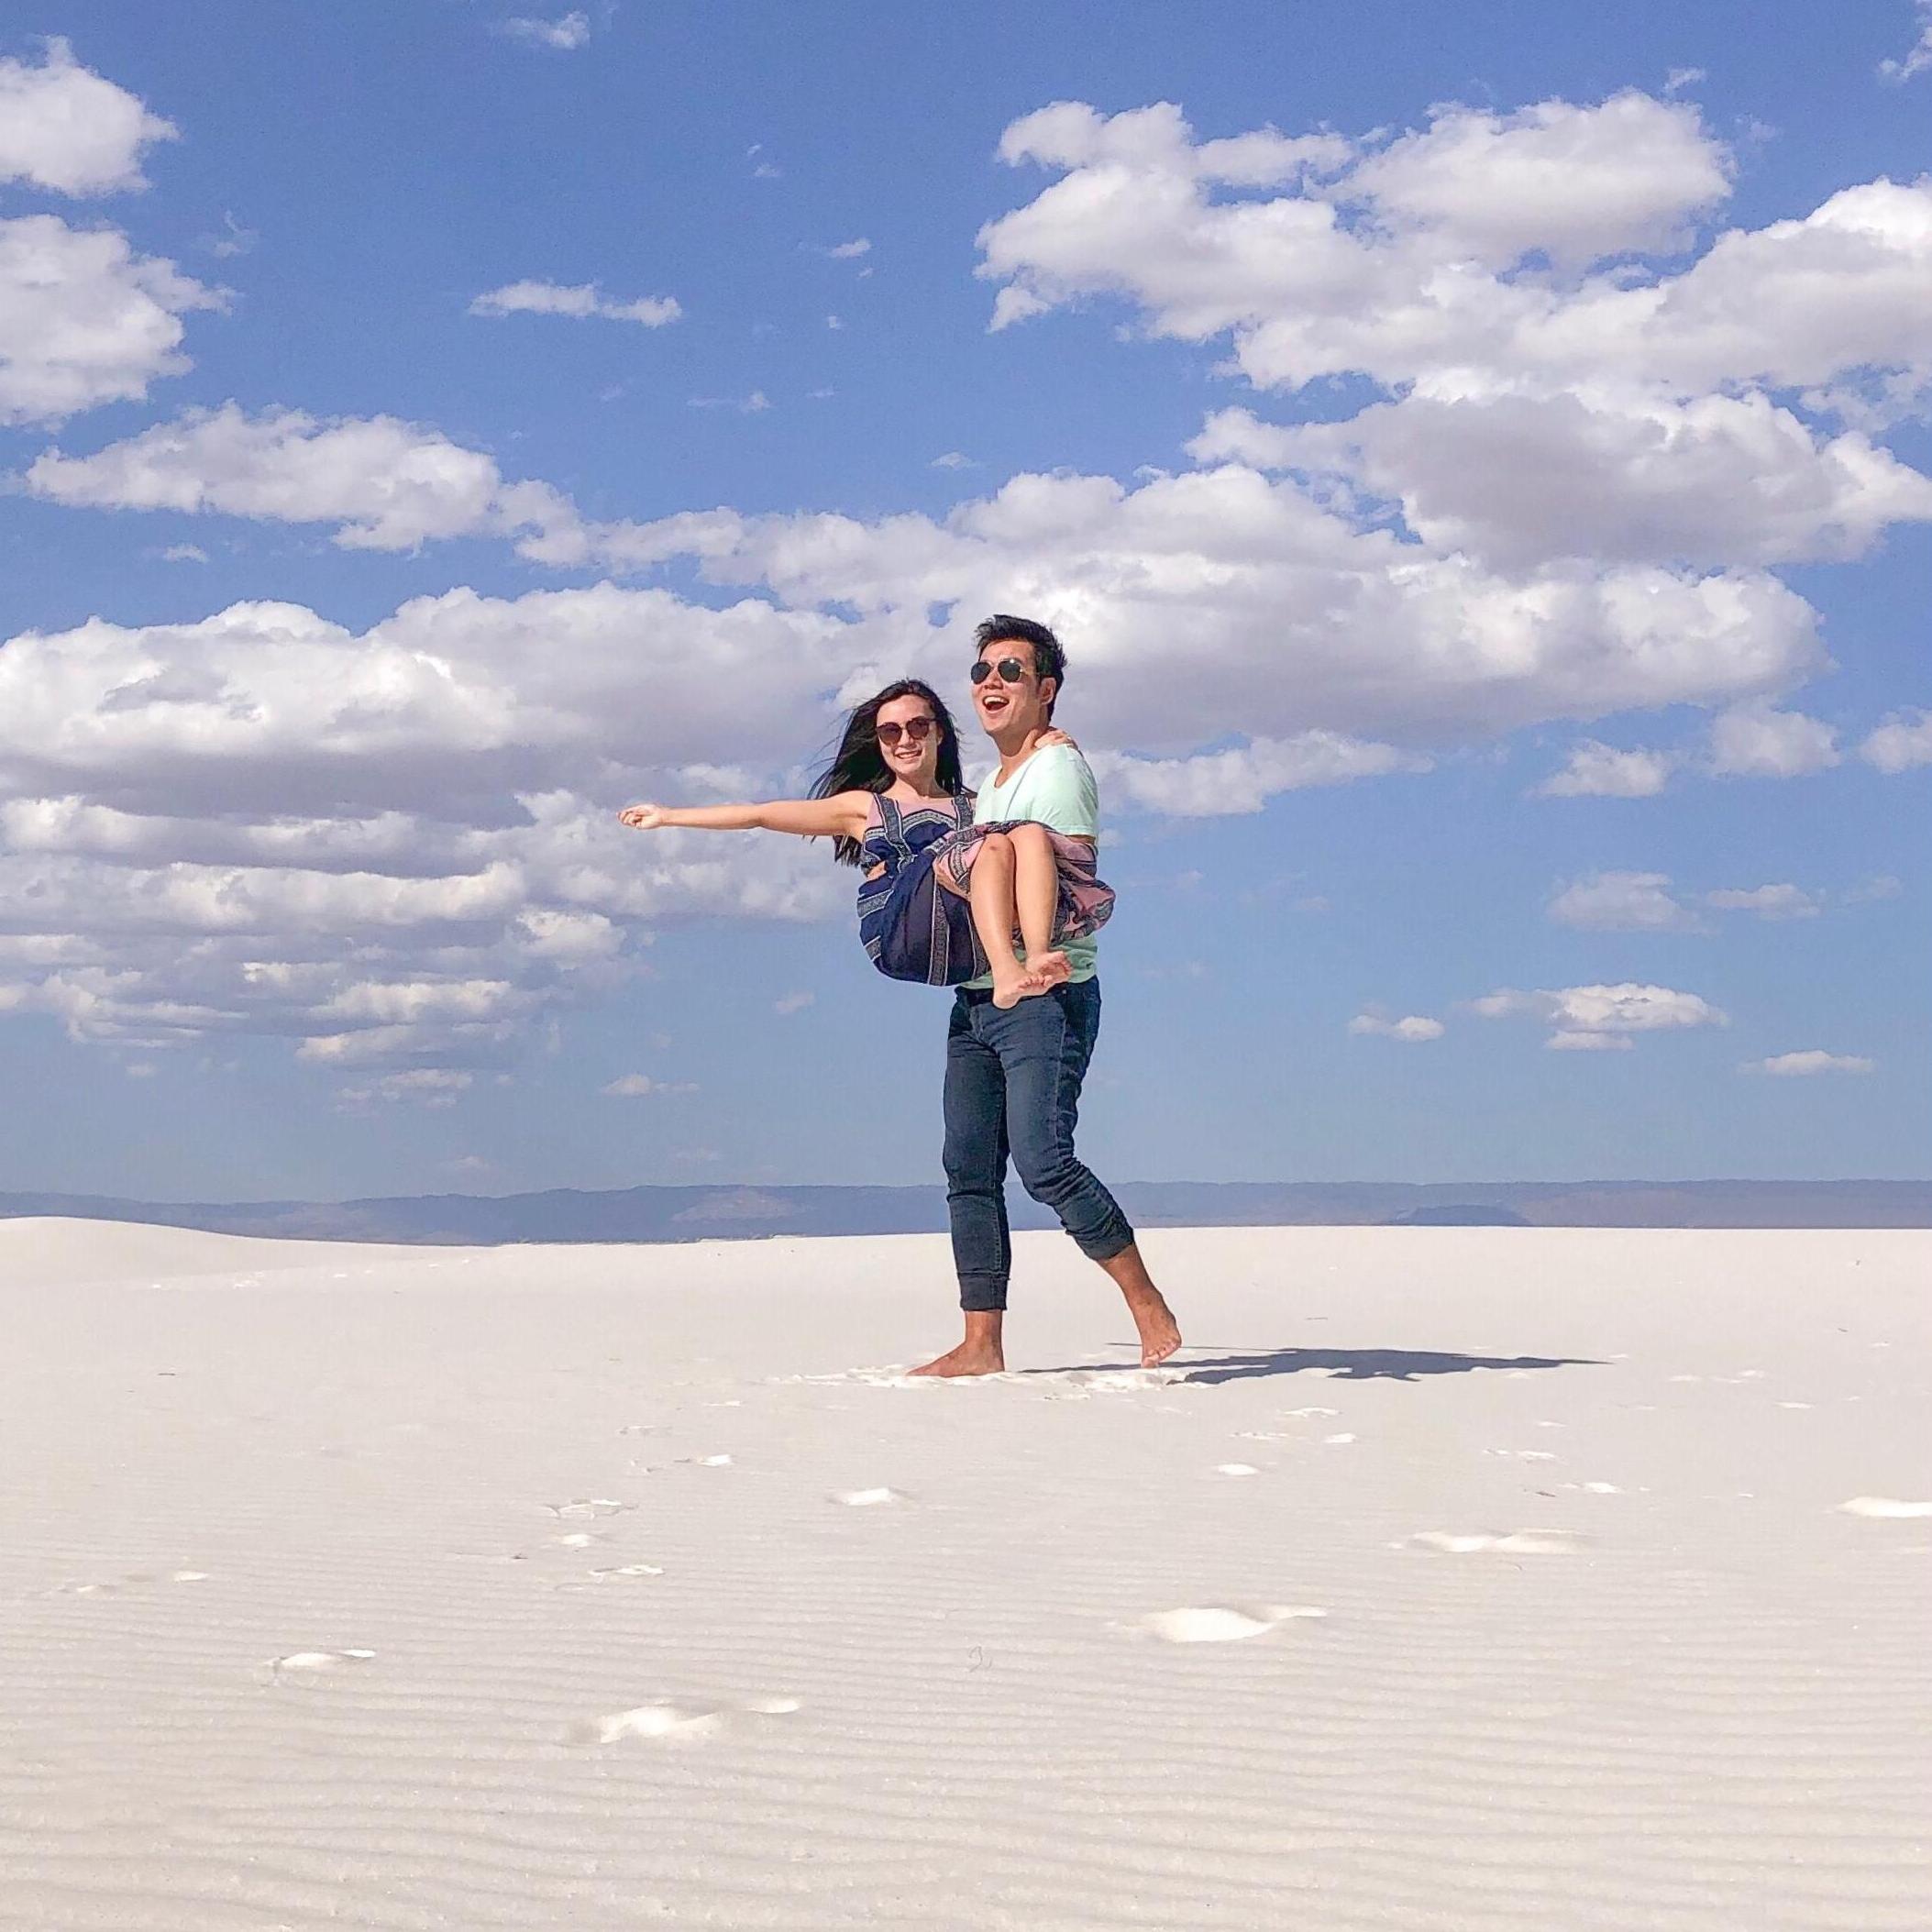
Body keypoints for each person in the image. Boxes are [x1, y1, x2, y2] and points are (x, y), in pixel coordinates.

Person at [913, 615, 1182, 1379]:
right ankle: (981, 1342)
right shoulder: (990, 782)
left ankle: (1144, 1300)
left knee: (1043, 1161)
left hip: (1046, 992)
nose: (990, 684)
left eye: (1010, 671)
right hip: (976, 999)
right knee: (967, 1168)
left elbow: (1070, 887)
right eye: (980, 673)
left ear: (1047, 690)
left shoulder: (1058, 769)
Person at [615, 680, 1111, 1005]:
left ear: (939, 733)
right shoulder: (865, 808)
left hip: (963, 941)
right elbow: (761, 815)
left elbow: (1024, 807)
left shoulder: (976, 804)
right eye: (889, 731)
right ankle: (1010, 971)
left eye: (918, 726)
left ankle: (1034, 955)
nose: (904, 739)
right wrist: (669, 816)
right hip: (904, 930)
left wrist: (1046, 743)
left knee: (1018, 833)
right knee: (994, 844)